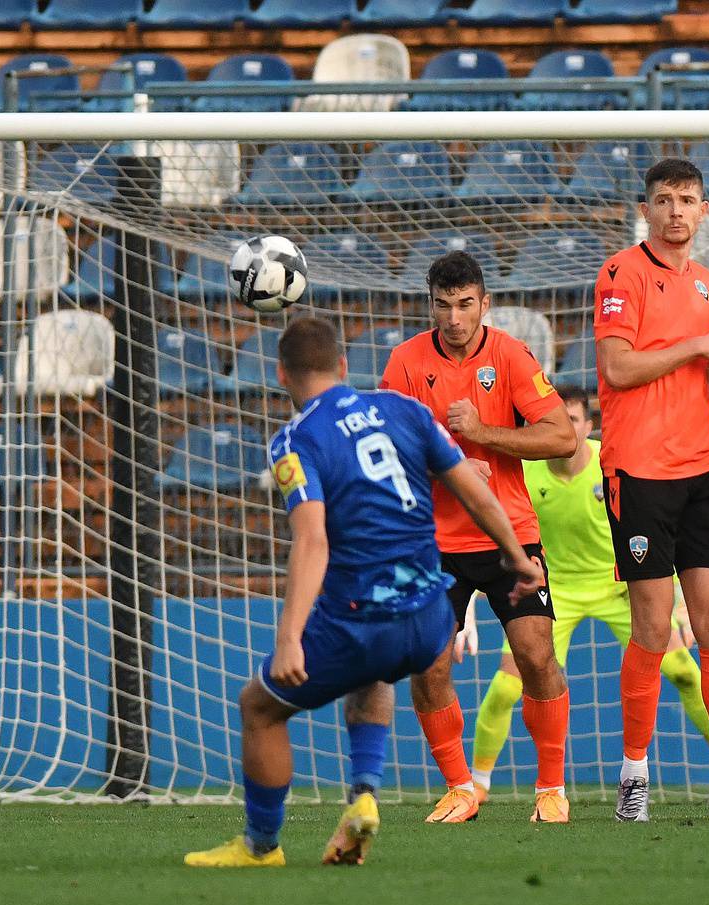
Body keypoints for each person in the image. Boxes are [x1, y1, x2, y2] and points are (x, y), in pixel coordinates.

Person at [185, 316, 545, 868]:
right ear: (345, 367)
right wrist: (518, 558)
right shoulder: (405, 410)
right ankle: (363, 798)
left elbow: (312, 541)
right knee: (375, 672)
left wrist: (289, 639)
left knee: (258, 707)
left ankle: (260, 847)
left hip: (361, 618)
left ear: (281, 373)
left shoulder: (295, 440)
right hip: (431, 618)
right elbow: (473, 488)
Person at [461, 387, 709, 796]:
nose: (566, 430)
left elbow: (659, 532)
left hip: (620, 587)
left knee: (682, 671)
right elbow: (483, 537)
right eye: (557, 421)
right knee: (506, 687)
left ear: (588, 427)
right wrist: (468, 604)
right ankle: (477, 783)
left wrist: (678, 603)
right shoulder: (525, 471)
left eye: (573, 420)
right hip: (557, 590)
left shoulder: (611, 464)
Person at [380, 252, 577, 825]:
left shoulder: (511, 356)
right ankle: (461, 787)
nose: (455, 318)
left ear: (485, 304)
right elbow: (388, 452)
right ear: (431, 304)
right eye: (444, 305)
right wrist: (453, 469)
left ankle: (550, 789)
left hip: (508, 534)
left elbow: (562, 437)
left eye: (466, 305)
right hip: (433, 543)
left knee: (537, 656)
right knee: (429, 667)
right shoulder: (406, 363)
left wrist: (484, 436)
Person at [594, 156, 709, 822]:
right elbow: (618, 365)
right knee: (653, 626)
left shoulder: (707, 287)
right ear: (645, 210)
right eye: (662, 200)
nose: (674, 211)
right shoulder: (622, 272)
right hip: (639, 468)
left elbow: (703, 383)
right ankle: (634, 773)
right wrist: (699, 346)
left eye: (687, 200)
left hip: (701, 468)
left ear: (705, 211)